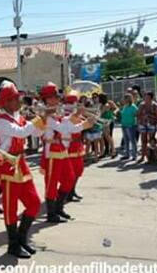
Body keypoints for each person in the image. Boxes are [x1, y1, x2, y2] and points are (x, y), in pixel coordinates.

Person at [0, 81, 45, 259]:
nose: (19, 102)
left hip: (21, 163)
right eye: (15, 99)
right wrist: (38, 120)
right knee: (10, 208)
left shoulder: (18, 116)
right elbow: (21, 133)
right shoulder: (2, 121)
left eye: (18, 98)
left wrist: (44, 122)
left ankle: (22, 238)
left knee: (34, 203)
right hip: (8, 166)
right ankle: (13, 244)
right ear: (6, 102)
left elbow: (37, 134)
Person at [40, 84, 94, 223]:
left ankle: (59, 207)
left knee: (69, 179)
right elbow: (63, 129)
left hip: (62, 150)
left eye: (57, 97)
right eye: (53, 98)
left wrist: (86, 123)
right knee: (51, 184)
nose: (57, 100)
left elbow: (69, 127)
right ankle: (51, 213)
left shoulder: (56, 114)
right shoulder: (46, 115)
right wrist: (83, 124)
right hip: (52, 152)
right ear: (47, 100)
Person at [136, 92, 157, 163]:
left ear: (151, 98)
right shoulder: (141, 104)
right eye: (145, 97)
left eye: (147, 97)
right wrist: (139, 122)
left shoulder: (155, 105)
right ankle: (143, 156)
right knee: (143, 141)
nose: (146, 99)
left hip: (152, 124)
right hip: (143, 124)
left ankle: (152, 157)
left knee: (151, 141)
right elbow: (138, 114)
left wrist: (150, 116)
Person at [120, 94, 138, 161]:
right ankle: (127, 154)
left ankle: (134, 155)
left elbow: (136, 115)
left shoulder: (133, 106)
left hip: (131, 125)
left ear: (129, 99)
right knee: (126, 140)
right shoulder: (125, 106)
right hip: (124, 125)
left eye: (126, 98)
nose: (124, 99)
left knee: (132, 140)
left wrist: (135, 124)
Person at [99, 94, 117, 158]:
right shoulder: (102, 105)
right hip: (104, 122)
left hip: (107, 122)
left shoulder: (106, 105)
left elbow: (100, 113)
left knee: (108, 136)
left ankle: (113, 150)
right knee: (104, 137)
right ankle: (107, 151)